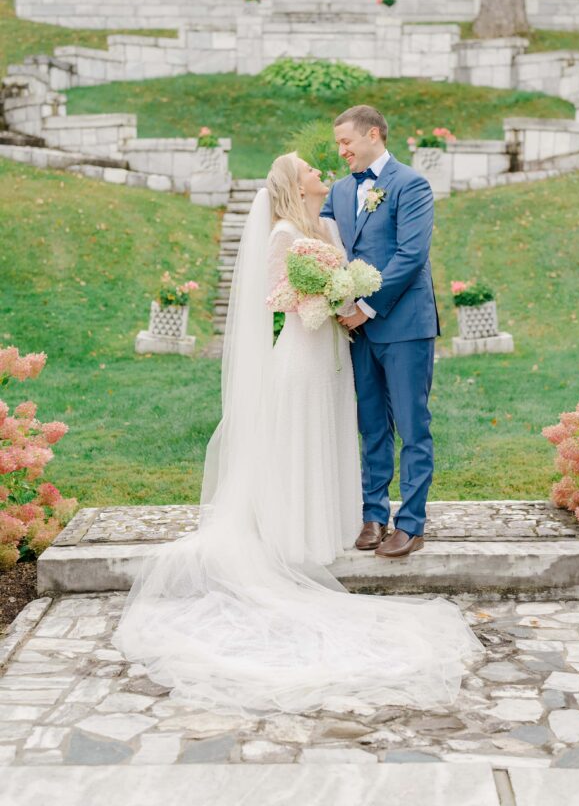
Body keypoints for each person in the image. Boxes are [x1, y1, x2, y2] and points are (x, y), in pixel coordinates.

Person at [111, 149, 481, 716]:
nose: (325, 170)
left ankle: (370, 518)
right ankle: (302, 527)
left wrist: (349, 296)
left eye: (335, 154)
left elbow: (387, 255)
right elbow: (277, 296)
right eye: (312, 167)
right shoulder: (285, 231)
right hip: (307, 347)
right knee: (310, 434)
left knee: (357, 428)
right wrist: (328, 298)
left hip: (343, 342)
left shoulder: (330, 217)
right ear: (293, 183)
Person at [322, 104, 440, 558]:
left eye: (346, 142)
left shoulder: (411, 185)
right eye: (338, 144)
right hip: (357, 331)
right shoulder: (338, 190)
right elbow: (329, 247)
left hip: (405, 326)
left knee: (412, 426)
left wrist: (366, 307)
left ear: (373, 134)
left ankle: (410, 523)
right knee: (370, 425)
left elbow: (410, 256)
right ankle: (374, 515)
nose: (342, 151)